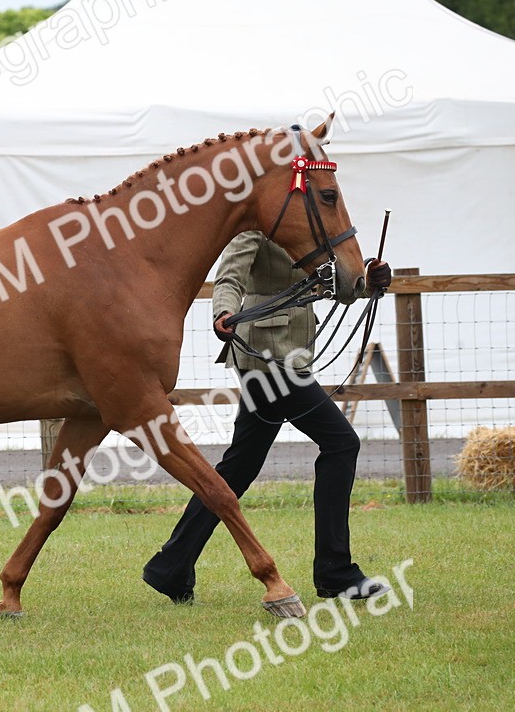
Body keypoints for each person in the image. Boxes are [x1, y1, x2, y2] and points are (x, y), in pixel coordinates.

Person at [142, 231, 393, 603]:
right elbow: (229, 277)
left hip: (291, 353)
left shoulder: (311, 225)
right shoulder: (256, 228)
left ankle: (171, 566)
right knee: (341, 442)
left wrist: (369, 283)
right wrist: (222, 312)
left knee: (238, 467)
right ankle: (335, 571)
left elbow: (337, 285)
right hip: (264, 357)